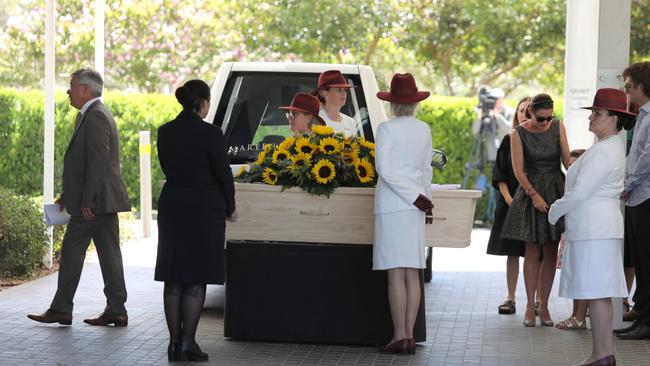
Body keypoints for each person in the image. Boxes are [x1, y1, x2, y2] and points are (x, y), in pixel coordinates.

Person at [28, 68, 131, 327]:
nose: (68, 91)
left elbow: (97, 163)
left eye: (71, 86)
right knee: (109, 254)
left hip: (94, 203)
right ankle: (117, 309)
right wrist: (69, 195)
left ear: (85, 90)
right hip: (102, 200)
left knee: (72, 251)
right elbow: (85, 164)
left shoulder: (95, 116)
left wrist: (87, 201)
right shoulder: (90, 115)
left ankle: (62, 309)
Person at [549, 88, 634, 365]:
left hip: (594, 230)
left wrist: (554, 210)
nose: (591, 118)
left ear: (614, 118)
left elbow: (580, 192)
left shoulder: (605, 151)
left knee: (597, 294)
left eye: (597, 114)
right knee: (599, 294)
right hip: (597, 229)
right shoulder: (608, 146)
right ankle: (602, 353)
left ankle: (603, 354)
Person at [155, 79, 236, 362]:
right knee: (195, 278)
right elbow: (223, 173)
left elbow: (168, 166)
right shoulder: (211, 133)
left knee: (173, 277)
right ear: (202, 102)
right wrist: (230, 205)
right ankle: (188, 341)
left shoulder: (165, 132)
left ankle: (173, 344)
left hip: (173, 206)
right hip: (204, 209)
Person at [373, 73, 432, 355]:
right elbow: (426, 171)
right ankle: (408, 336)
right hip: (416, 208)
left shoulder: (386, 129)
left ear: (393, 103)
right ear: (414, 102)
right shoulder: (424, 129)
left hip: (394, 206)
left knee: (396, 273)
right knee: (412, 273)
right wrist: (425, 200)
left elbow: (384, 170)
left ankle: (400, 335)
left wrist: (414, 197)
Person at [501, 93, 570, 327]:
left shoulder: (558, 127)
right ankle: (530, 305)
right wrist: (534, 195)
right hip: (530, 190)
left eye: (549, 118)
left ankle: (545, 304)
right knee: (532, 251)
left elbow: (567, 161)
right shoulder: (517, 133)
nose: (545, 122)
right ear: (531, 112)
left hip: (554, 188)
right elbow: (518, 171)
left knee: (551, 250)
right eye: (541, 119)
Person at [615, 61, 650, 340]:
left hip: (645, 195)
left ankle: (647, 323)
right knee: (639, 260)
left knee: (647, 262)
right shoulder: (643, 115)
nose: (626, 91)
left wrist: (629, 183)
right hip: (638, 196)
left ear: (641, 86)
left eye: (628, 86)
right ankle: (642, 318)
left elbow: (646, 158)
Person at [486, 96, 530, 315]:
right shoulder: (507, 139)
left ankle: (539, 301)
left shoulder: (542, 140)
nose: (525, 114)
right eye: (521, 110)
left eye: (529, 110)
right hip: (510, 204)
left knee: (536, 254)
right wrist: (510, 200)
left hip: (535, 206)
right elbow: (500, 175)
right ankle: (511, 298)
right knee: (512, 253)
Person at [554, 149, 589, 331]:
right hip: (570, 235)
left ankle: (580, 317)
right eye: (569, 165)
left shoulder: (582, 186)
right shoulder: (570, 184)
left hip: (581, 234)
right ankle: (576, 315)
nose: (571, 168)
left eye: (575, 165)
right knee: (574, 275)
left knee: (582, 275)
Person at [313, 70, 357, 137]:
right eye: (338, 90)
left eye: (345, 90)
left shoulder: (351, 122)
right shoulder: (315, 120)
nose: (344, 94)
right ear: (323, 93)